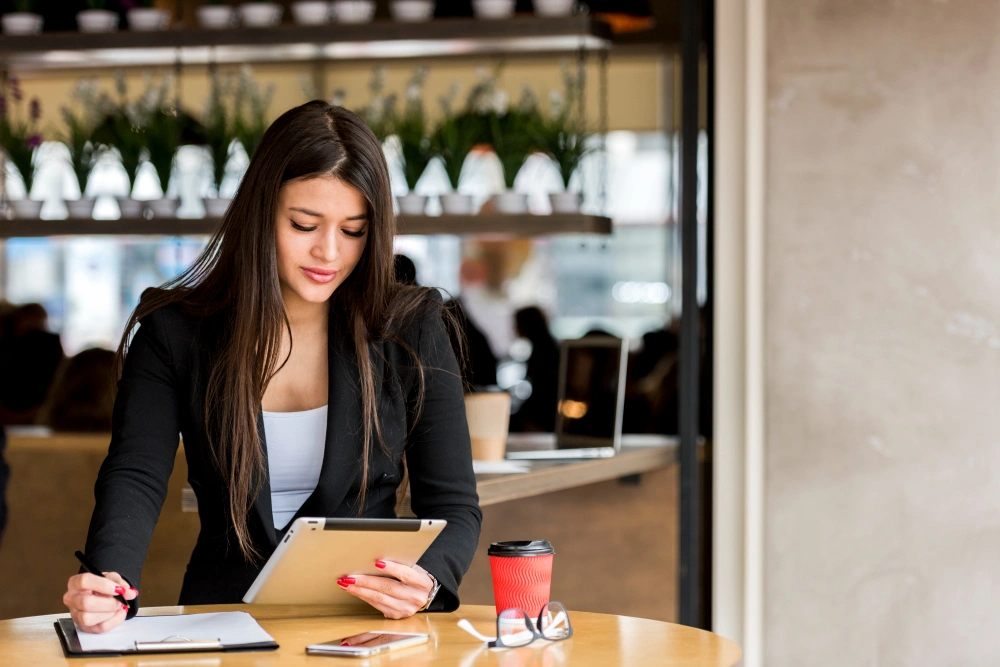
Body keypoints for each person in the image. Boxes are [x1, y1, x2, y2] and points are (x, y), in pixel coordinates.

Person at [62, 101, 482, 634]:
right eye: (304, 224)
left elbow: (455, 506)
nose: (329, 251)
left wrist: (425, 580)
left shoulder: (413, 328)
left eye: (354, 231)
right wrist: (108, 581)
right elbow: (136, 475)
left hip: (369, 627)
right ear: (262, 212)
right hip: (222, 622)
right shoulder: (176, 333)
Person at [509, 306, 559, 432]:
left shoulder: (543, 351)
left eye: (516, 323)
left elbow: (542, 393)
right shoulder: (545, 346)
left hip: (545, 419)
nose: (514, 328)